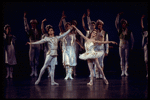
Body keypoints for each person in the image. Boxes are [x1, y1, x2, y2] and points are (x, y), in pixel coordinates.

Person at [59, 12, 83, 80]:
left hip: (72, 49)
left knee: (71, 61)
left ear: (71, 27)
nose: (67, 27)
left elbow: (77, 40)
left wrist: (81, 45)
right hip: (66, 49)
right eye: (66, 26)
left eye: (68, 26)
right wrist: (61, 19)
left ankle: (70, 74)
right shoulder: (63, 33)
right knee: (67, 61)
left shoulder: (73, 34)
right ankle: (67, 74)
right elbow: (60, 26)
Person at [115, 12, 134, 76]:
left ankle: (126, 71)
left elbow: (132, 39)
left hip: (127, 44)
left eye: (124, 23)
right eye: (122, 23)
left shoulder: (129, 31)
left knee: (126, 58)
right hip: (121, 44)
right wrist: (118, 16)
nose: (123, 24)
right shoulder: (120, 30)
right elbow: (116, 23)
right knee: (121, 58)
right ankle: (122, 71)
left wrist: (132, 46)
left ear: (126, 24)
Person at [23, 12, 42, 76]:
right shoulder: (30, 30)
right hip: (32, 43)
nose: (33, 24)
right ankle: (32, 70)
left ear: (36, 24)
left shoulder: (38, 30)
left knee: (37, 58)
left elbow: (41, 38)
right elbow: (26, 26)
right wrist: (25, 18)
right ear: (31, 24)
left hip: (37, 43)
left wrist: (41, 45)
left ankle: (36, 70)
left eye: (34, 23)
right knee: (31, 58)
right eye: (32, 23)